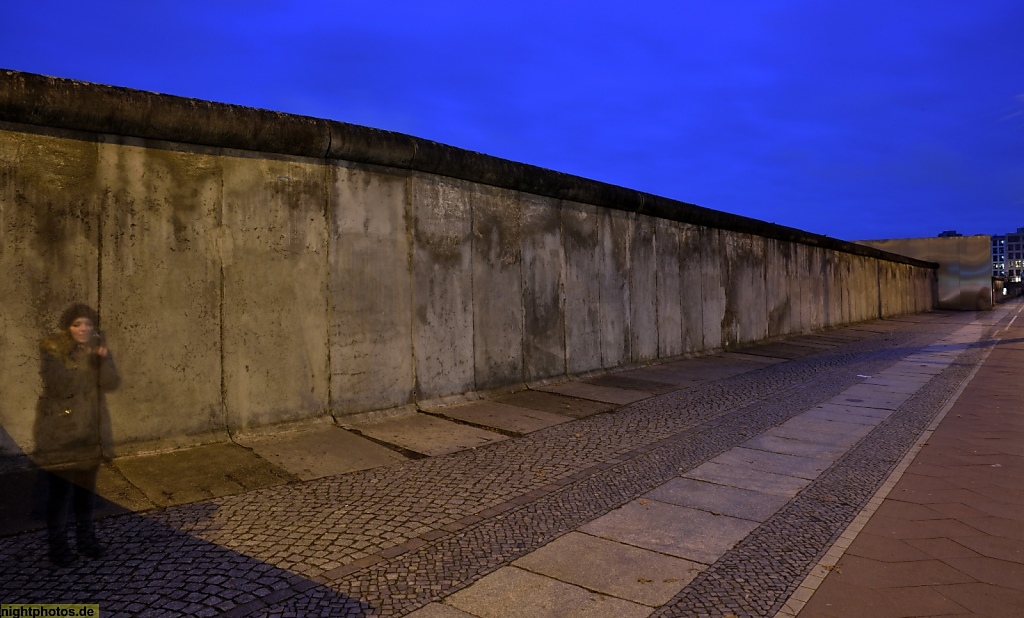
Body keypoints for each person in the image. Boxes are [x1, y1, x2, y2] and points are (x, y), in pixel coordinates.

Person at [33, 303, 120, 566]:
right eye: (77, 324)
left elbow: (110, 383)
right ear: (68, 328)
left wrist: (102, 361)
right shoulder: (52, 349)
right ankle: (58, 547)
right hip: (61, 433)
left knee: (86, 492)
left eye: (87, 324)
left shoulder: (98, 349)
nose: (83, 329)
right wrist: (86, 360)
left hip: (89, 432)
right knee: (60, 494)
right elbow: (58, 384)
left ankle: (86, 540)